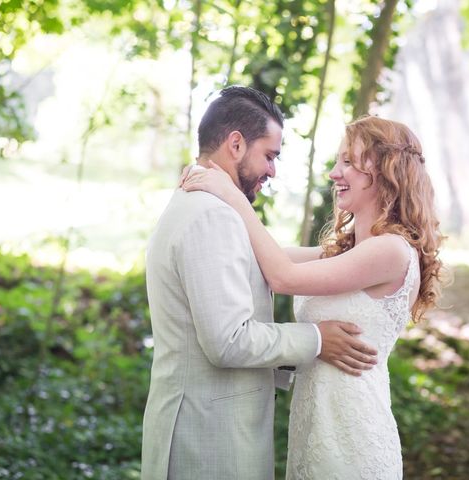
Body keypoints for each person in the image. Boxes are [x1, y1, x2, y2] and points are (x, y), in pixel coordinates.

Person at [182, 115, 445, 479]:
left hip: (352, 439)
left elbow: (282, 276)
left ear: (388, 171)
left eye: (349, 162)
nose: (335, 173)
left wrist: (230, 195)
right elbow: (265, 255)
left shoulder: (391, 252)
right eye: (338, 161)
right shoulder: (349, 252)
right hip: (314, 430)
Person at [140, 86, 378, 480]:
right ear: (235, 144)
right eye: (269, 155)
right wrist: (317, 340)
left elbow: (270, 263)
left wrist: (366, 255)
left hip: (208, 427)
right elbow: (228, 341)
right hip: (208, 440)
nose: (272, 170)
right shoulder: (210, 216)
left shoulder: (204, 206)